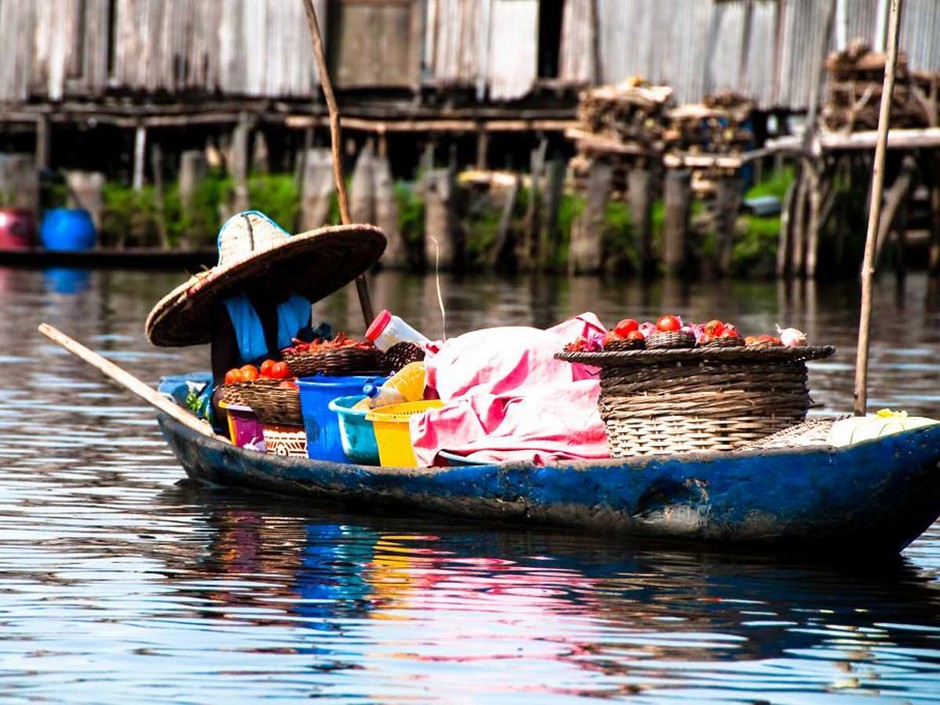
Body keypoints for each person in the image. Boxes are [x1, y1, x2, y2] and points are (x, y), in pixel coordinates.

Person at [146, 210, 387, 428]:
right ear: (260, 276)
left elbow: (304, 363)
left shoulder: (299, 305)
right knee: (221, 398)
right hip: (242, 397)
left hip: (288, 396)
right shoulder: (229, 311)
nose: (292, 280)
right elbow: (222, 381)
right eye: (283, 274)